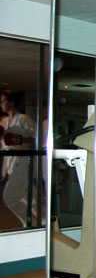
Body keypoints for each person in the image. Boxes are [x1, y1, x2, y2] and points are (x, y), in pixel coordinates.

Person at [0, 90, 37, 227]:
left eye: (3, 101)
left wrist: (19, 140)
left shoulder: (23, 119)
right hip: (10, 161)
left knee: (10, 197)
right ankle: (44, 220)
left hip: (22, 160)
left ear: (11, 102)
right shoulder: (4, 122)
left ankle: (30, 223)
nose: (1, 104)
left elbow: (37, 139)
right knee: (29, 196)